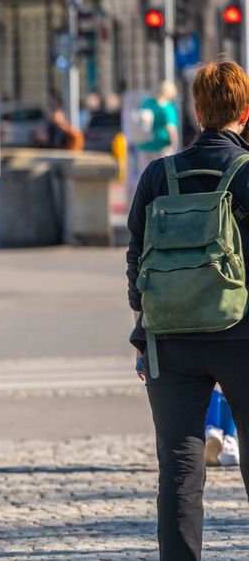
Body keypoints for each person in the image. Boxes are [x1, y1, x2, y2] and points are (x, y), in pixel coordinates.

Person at [127, 59, 249, 560]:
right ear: (245, 113)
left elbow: (136, 257)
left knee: (179, 469)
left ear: (196, 111)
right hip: (244, 335)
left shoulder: (160, 175)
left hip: (170, 339)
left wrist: (146, 321)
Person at [137, 80, 180, 171]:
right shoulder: (167, 107)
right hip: (161, 146)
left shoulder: (147, 103)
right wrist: (174, 145)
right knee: (161, 176)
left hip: (144, 144)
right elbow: (171, 128)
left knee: (145, 175)